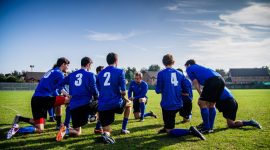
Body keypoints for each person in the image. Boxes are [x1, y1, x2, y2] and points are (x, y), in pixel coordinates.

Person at [7, 57, 71, 139]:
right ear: (63, 64)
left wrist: (63, 97)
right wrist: (68, 96)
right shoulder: (59, 73)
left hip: (35, 99)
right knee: (70, 100)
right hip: (43, 99)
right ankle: (65, 126)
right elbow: (60, 88)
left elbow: (55, 89)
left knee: (40, 128)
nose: (68, 68)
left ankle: (18, 128)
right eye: (67, 66)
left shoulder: (50, 71)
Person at [155, 54, 205, 140]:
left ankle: (190, 131)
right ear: (173, 62)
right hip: (179, 103)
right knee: (169, 122)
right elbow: (186, 88)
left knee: (170, 131)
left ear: (163, 63)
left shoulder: (161, 73)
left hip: (168, 104)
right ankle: (166, 127)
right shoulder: (180, 73)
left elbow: (158, 90)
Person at [56, 57, 99, 141]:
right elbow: (94, 90)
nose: (91, 67)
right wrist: (97, 98)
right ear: (88, 65)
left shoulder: (72, 74)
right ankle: (96, 122)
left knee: (77, 131)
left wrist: (67, 94)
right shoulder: (90, 75)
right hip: (85, 105)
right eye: (90, 65)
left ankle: (66, 130)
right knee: (103, 105)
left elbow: (59, 85)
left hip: (73, 106)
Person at [97, 52, 132, 144]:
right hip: (115, 103)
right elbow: (124, 92)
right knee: (129, 104)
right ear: (116, 61)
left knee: (107, 130)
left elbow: (99, 90)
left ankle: (105, 135)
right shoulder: (120, 71)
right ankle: (124, 128)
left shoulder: (100, 74)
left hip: (103, 105)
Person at [185, 59, 225, 133]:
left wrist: (200, 93)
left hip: (212, 81)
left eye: (186, 67)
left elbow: (195, 82)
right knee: (211, 104)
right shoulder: (199, 67)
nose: (186, 69)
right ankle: (210, 127)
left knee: (201, 103)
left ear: (188, 65)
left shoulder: (189, 68)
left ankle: (206, 127)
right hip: (221, 80)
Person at [197, 87, 262, 129]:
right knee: (231, 124)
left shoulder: (212, 86)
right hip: (233, 102)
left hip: (227, 102)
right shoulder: (218, 83)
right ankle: (250, 122)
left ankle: (206, 124)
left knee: (206, 104)